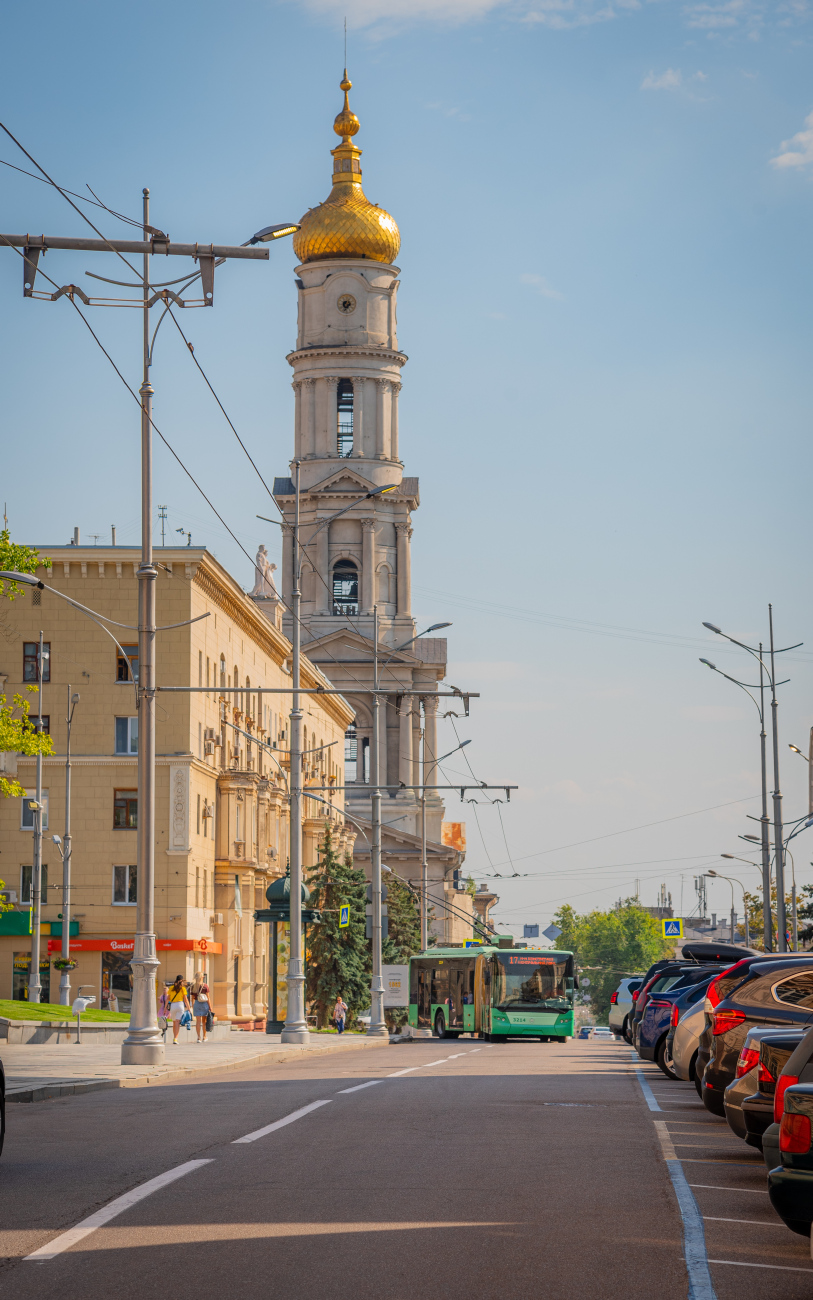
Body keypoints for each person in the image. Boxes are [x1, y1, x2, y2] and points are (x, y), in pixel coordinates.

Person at [166, 975, 191, 1044]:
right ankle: (175, 1039)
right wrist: (189, 1008)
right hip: (180, 1005)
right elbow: (185, 1000)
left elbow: (168, 999)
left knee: (174, 1022)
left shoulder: (171, 988)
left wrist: (165, 1008)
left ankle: (174, 1038)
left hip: (173, 1005)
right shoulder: (183, 988)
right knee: (177, 1022)